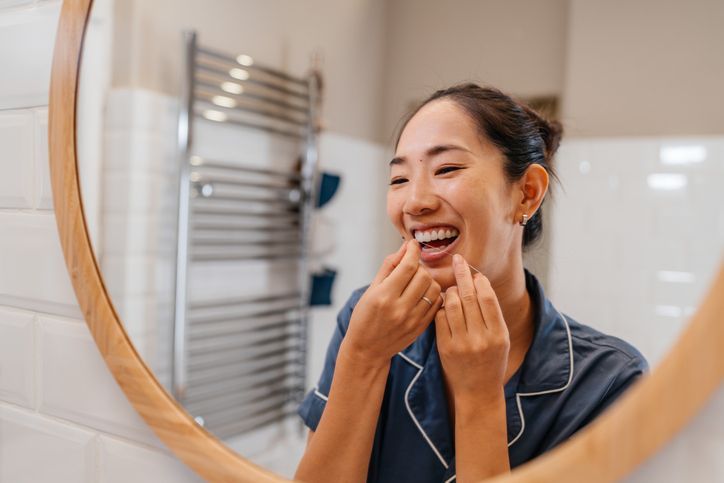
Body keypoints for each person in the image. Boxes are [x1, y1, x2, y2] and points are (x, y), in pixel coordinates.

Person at [294, 84, 648, 483]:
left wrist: (479, 399)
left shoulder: (608, 381)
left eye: (446, 169)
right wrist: (362, 357)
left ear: (527, 194)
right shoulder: (369, 322)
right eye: (399, 179)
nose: (415, 202)